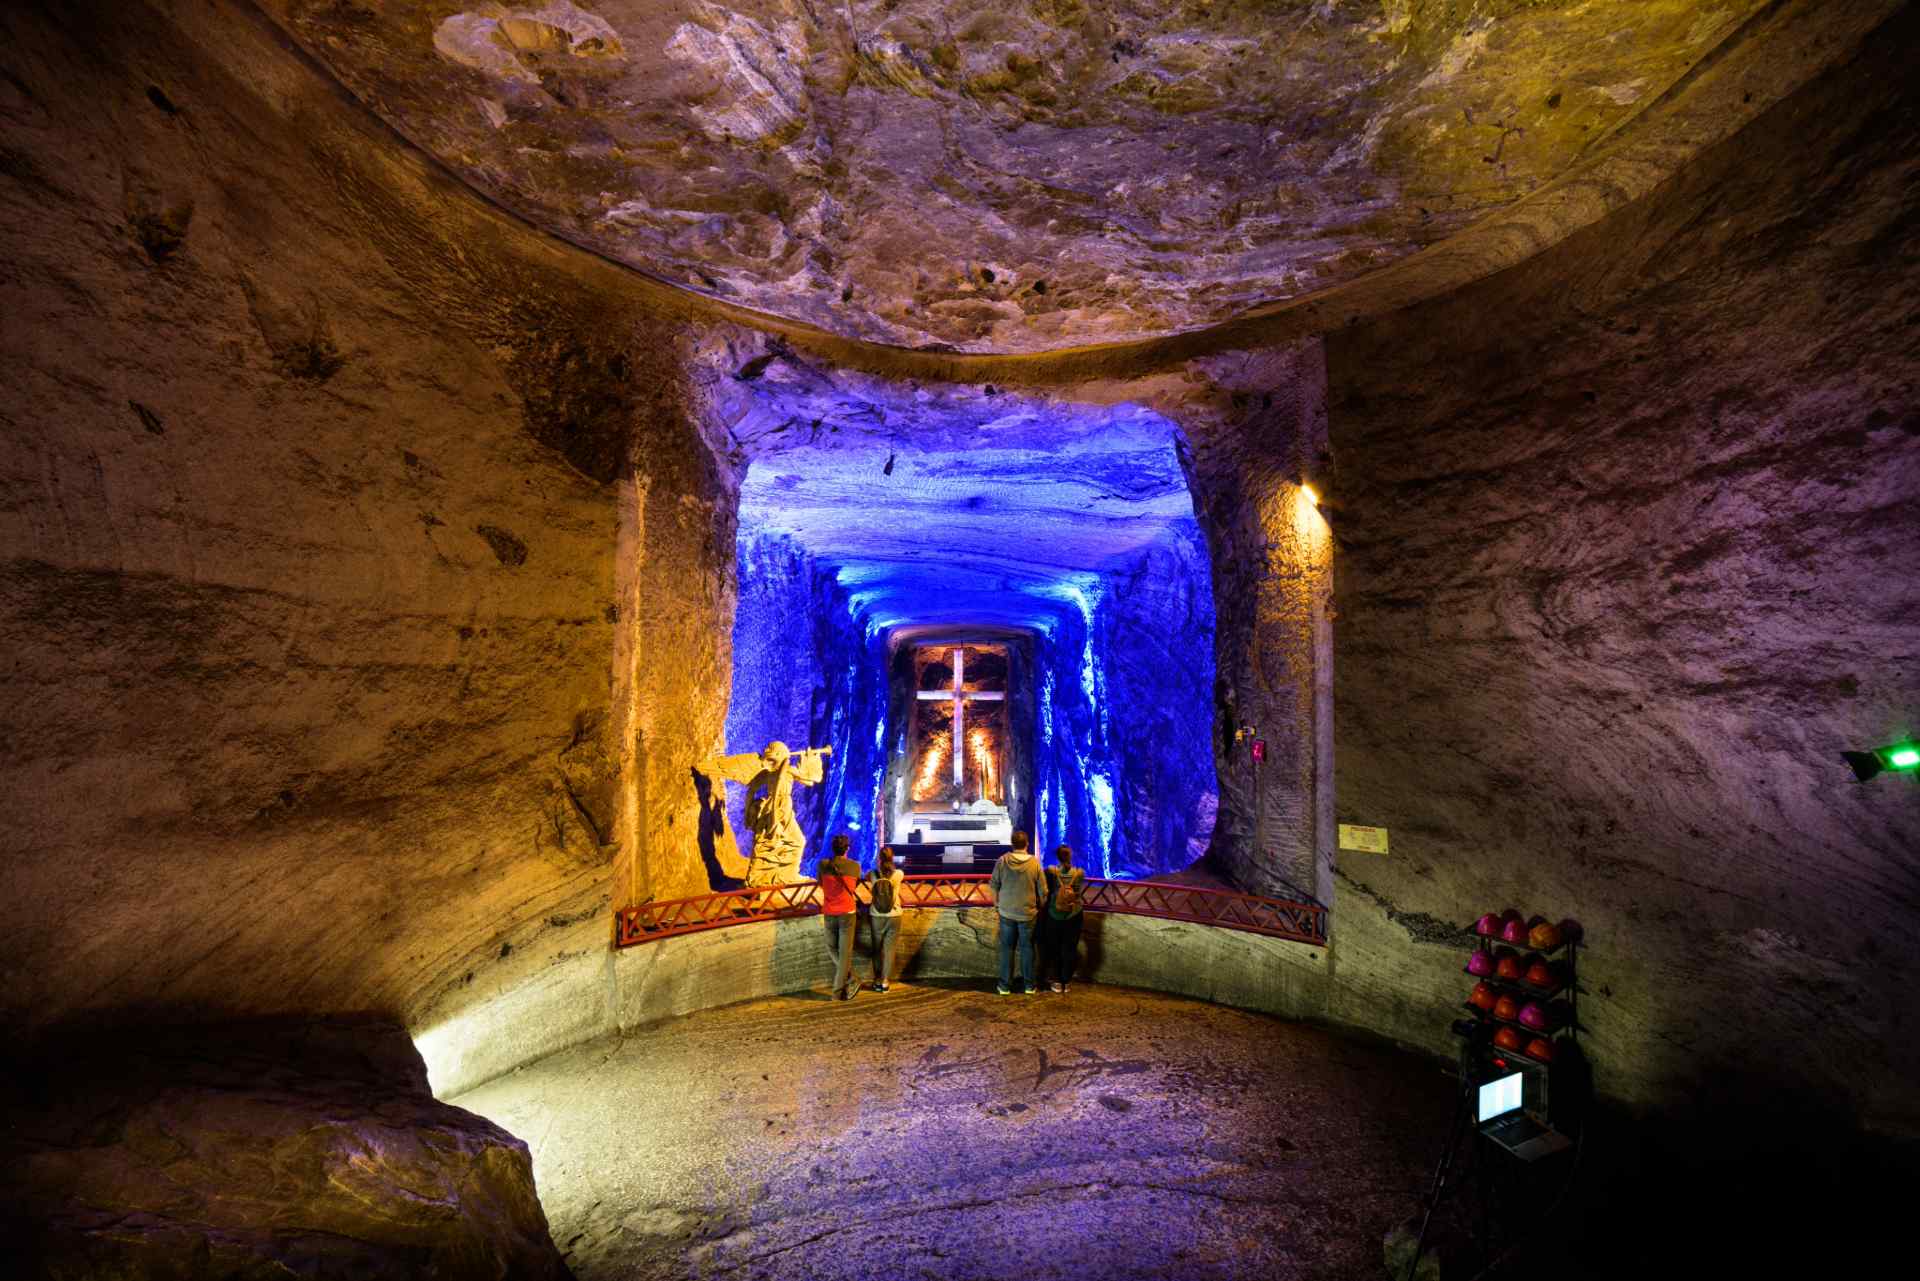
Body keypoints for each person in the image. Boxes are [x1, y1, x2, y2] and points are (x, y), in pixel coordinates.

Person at [696, 741, 828, 885]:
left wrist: (749, 808)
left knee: (768, 841)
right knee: (797, 841)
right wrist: (811, 759)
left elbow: (752, 789)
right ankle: (786, 875)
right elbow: (811, 780)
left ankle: (762, 876)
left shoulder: (767, 773)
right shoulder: (787, 770)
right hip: (781, 808)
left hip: (770, 808)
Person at [989, 830, 1047, 995]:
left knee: (1007, 948)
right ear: (1027, 844)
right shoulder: (1034, 863)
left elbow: (993, 885)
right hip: (1028, 913)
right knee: (1027, 948)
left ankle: (1004, 986)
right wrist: (1040, 906)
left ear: (1012, 843)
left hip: (1006, 913)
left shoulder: (1002, 861)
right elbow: (1043, 890)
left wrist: (997, 905)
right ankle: (1029, 986)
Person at [818, 833, 862, 1000]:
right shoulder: (855, 867)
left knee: (831, 948)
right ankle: (851, 980)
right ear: (847, 849)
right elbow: (854, 886)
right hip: (847, 913)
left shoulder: (823, 865)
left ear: (832, 848)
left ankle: (839, 990)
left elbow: (821, 883)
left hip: (829, 911)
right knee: (844, 953)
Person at [1044, 844, 1088, 993]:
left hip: (1054, 914)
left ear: (1057, 857)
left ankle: (1056, 982)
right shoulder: (1080, 873)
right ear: (1071, 856)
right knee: (1070, 948)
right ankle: (1067, 982)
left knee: (1055, 947)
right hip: (1074, 914)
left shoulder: (1050, 871)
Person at [864, 845, 906, 992]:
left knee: (876, 948)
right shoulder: (898, 874)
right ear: (892, 858)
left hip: (876, 915)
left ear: (879, 859)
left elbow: (865, 877)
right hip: (894, 915)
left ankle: (876, 980)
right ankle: (885, 982)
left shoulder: (873, 874)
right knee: (890, 950)